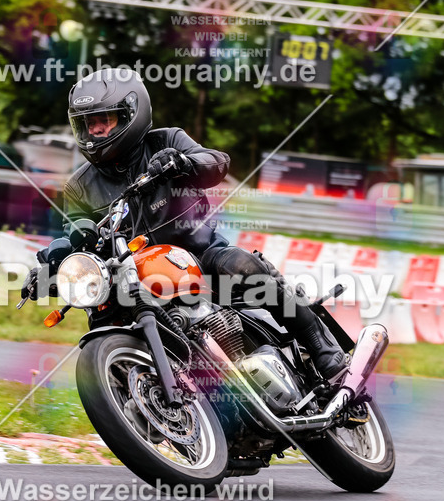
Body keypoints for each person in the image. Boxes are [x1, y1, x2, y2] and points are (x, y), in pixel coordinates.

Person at [31, 67, 348, 379]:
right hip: (134, 279)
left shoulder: (166, 141)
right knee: (102, 322)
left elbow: (216, 163)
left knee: (241, 266)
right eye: (87, 123)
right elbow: (77, 232)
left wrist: (182, 162)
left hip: (200, 257)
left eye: (104, 120)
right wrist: (51, 267)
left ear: (130, 115)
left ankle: (322, 349)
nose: (95, 130)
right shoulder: (79, 186)